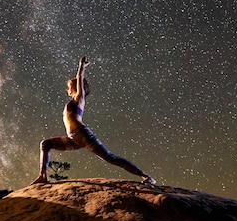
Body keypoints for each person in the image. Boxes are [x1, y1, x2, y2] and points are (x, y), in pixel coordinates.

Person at [31, 55, 156, 185]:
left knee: (111, 158)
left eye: (69, 86)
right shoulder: (72, 101)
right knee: (46, 144)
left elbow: (80, 78)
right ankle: (43, 176)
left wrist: (81, 67)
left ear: (75, 88)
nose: (67, 89)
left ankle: (146, 176)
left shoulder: (79, 99)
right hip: (73, 139)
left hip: (83, 135)